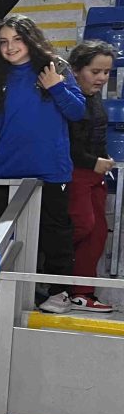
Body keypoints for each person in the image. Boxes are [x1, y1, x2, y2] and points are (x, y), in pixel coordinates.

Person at [0, 15, 85, 313]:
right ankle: (8, 295)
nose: (10, 46)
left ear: (30, 39)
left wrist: (56, 87)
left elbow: (78, 112)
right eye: (3, 42)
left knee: (55, 234)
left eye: (17, 39)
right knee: (11, 238)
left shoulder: (56, 68)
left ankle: (59, 292)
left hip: (51, 171)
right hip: (7, 172)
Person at [65, 41, 117, 313]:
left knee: (97, 234)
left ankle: (82, 293)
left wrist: (102, 162)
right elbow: (67, 143)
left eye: (106, 72)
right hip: (75, 172)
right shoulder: (67, 96)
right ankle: (51, 277)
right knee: (82, 226)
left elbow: (96, 135)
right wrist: (92, 162)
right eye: (96, 71)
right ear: (75, 70)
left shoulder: (95, 96)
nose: (102, 78)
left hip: (95, 174)